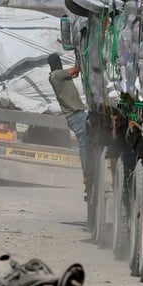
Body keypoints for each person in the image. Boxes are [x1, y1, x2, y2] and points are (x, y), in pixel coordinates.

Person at [47, 54, 89, 188]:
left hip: (75, 115)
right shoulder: (57, 75)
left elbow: (75, 75)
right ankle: (87, 173)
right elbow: (76, 70)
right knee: (84, 144)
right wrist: (80, 55)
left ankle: (88, 171)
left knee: (86, 142)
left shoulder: (57, 76)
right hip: (75, 115)